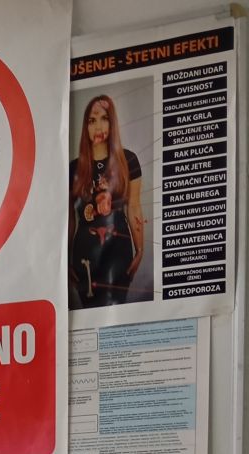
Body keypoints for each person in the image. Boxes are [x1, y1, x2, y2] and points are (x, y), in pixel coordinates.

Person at [69, 95, 146, 308]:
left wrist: (140, 249)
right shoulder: (73, 168)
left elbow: (134, 206)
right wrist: (66, 260)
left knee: (117, 312)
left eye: (104, 118)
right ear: (85, 127)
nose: (98, 126)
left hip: (119, 250)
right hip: (84, 255)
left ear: (112, 123)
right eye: (92, 120)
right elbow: (70, 218)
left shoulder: (128, 160)